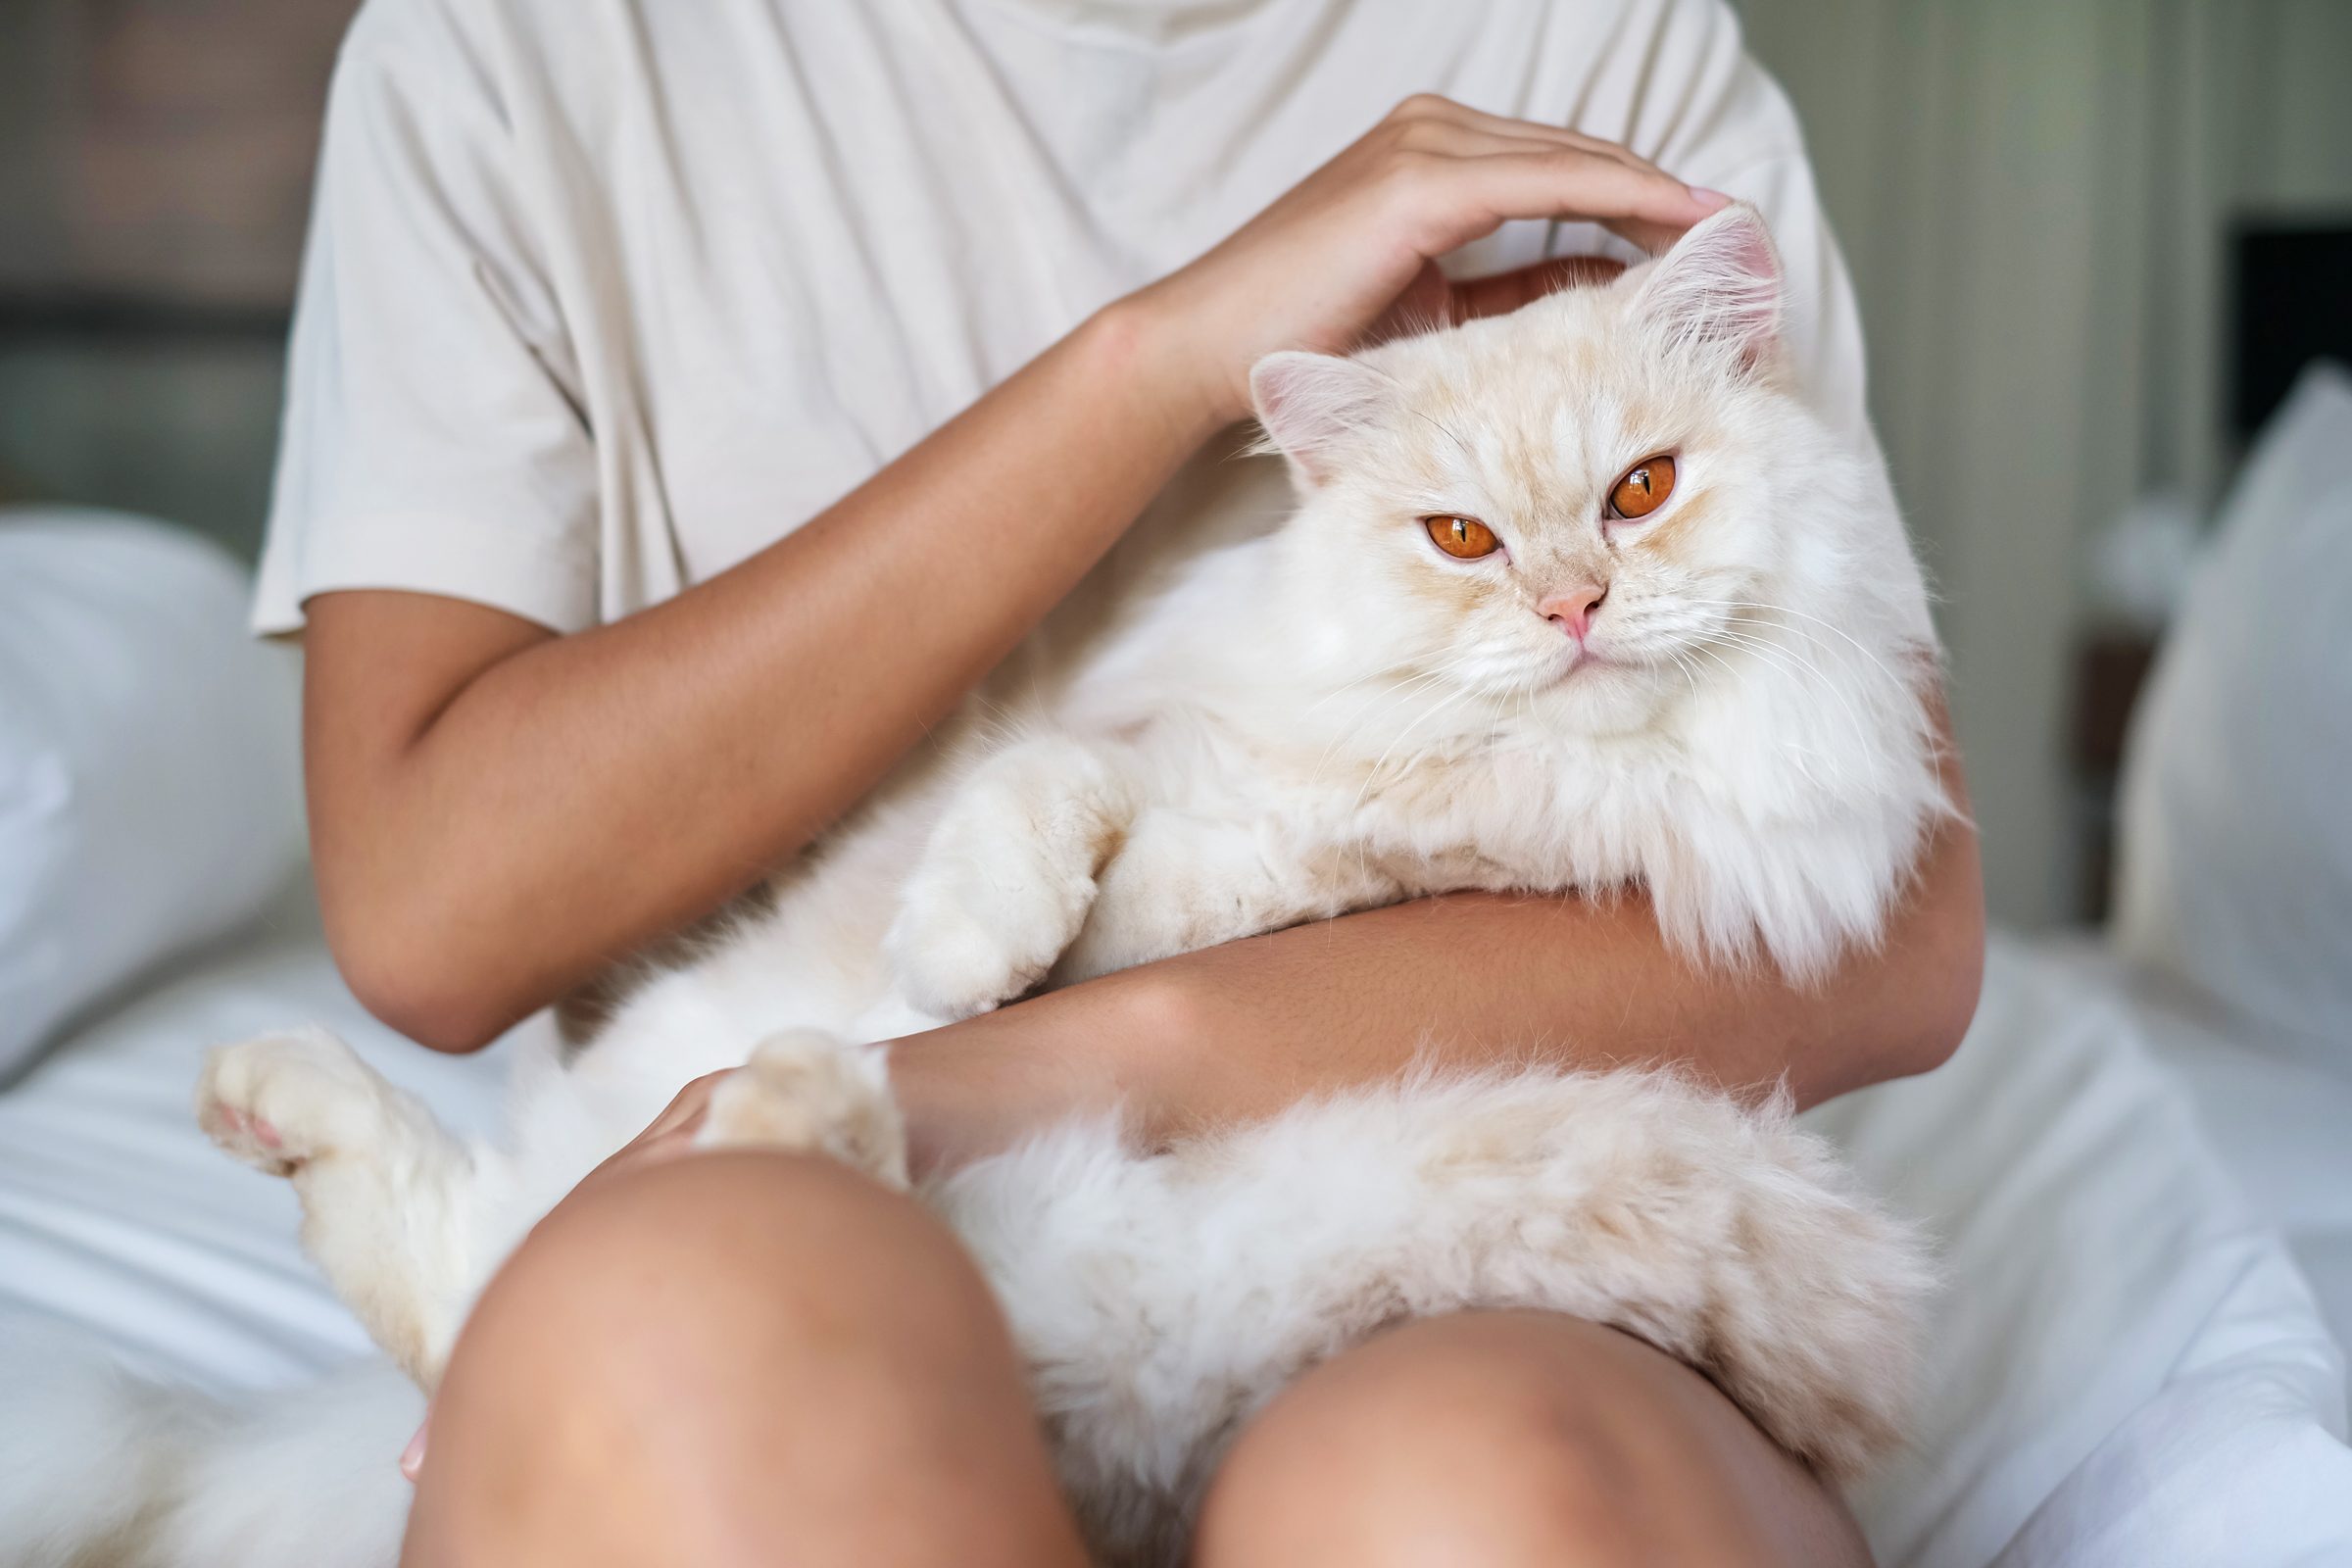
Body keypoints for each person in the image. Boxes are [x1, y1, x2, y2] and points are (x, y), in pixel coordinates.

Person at [260, 0, 1984, 1561]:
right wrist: (1151, 365)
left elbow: (1895, 929)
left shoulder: (1591, 36)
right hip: (790, 1193)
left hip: (1458, 1201)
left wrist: (1050, 1066)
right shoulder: (499, 52)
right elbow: (433, 919)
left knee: (1468, 1491)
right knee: (702, 1340)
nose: (1566, 592)